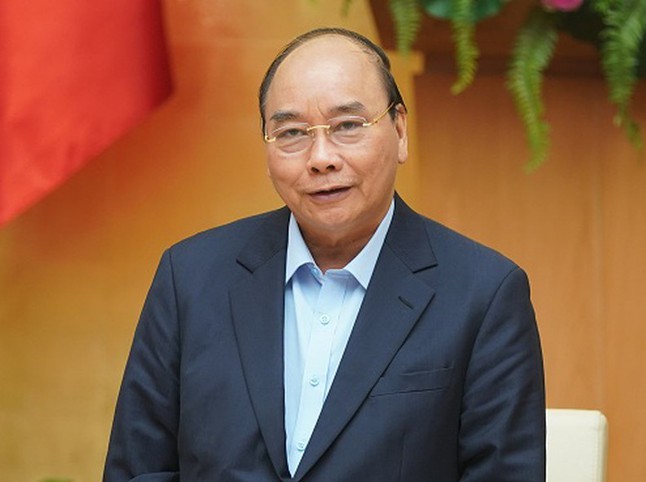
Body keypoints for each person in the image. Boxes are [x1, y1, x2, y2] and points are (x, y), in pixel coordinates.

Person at [104, 27, 545, 481]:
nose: (321, 158)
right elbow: (139, 470)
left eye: (348, 126)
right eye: (292, 132)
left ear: (400, 130)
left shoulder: (484, 295)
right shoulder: (190, 278)